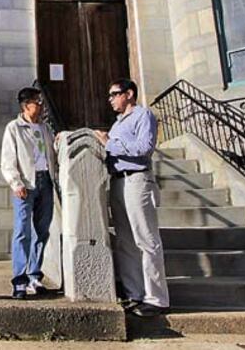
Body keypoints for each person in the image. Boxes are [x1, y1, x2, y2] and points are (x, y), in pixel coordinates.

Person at [93, 79, 170, 317]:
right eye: (110, 95)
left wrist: (109, 143)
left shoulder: (143, 115)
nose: (110, 99)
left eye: (114, 94)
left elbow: (144, 148)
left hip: (137, 180)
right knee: (125, 241)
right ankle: (134, 293)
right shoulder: (117, 124)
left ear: (129, 94)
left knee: (146, 239)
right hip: (118, 181)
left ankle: (156, 298)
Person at [1, 87, 57, 299]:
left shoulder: (44, 128)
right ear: (26, 105)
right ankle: (20, 280)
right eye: (38, 102)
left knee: (42, 232)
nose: (42, 106)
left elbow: (52, 152)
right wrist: (16, 183)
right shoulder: (14, 128)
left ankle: (35, 276)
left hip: (46, 182)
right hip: (26, 184)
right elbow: (7, 160)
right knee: (22, 231)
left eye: (42, 102)